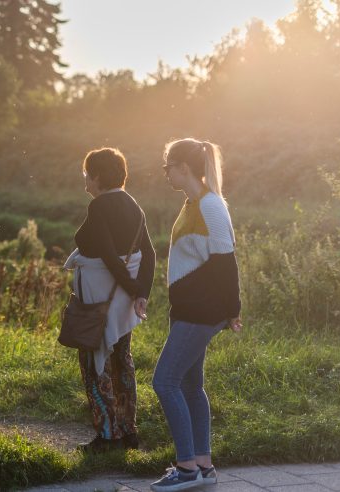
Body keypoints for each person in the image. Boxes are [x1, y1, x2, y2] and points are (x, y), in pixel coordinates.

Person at [150, 138, 242, 491]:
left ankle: (186, 469)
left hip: (200, 313)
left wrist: (232, 310)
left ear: (182, 168)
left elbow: (225, 260)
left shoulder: (211, 206)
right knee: (189, 385)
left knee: (165, 382)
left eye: (166, 167)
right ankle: (203, 465)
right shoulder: (193, 203)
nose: (165, 174)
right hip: (189, 311)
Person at [64, 147, 156, 452]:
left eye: (87, 175)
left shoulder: (100, 206)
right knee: (122, 359)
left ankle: (106, 435)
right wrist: (140, 293)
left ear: (98, 177)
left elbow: (106, 254)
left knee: (95, 363)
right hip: (123, 300)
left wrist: (132, 289)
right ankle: (128, 431)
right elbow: (150, 255)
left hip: (101, 299)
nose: (85, 182)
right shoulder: (134, 206)